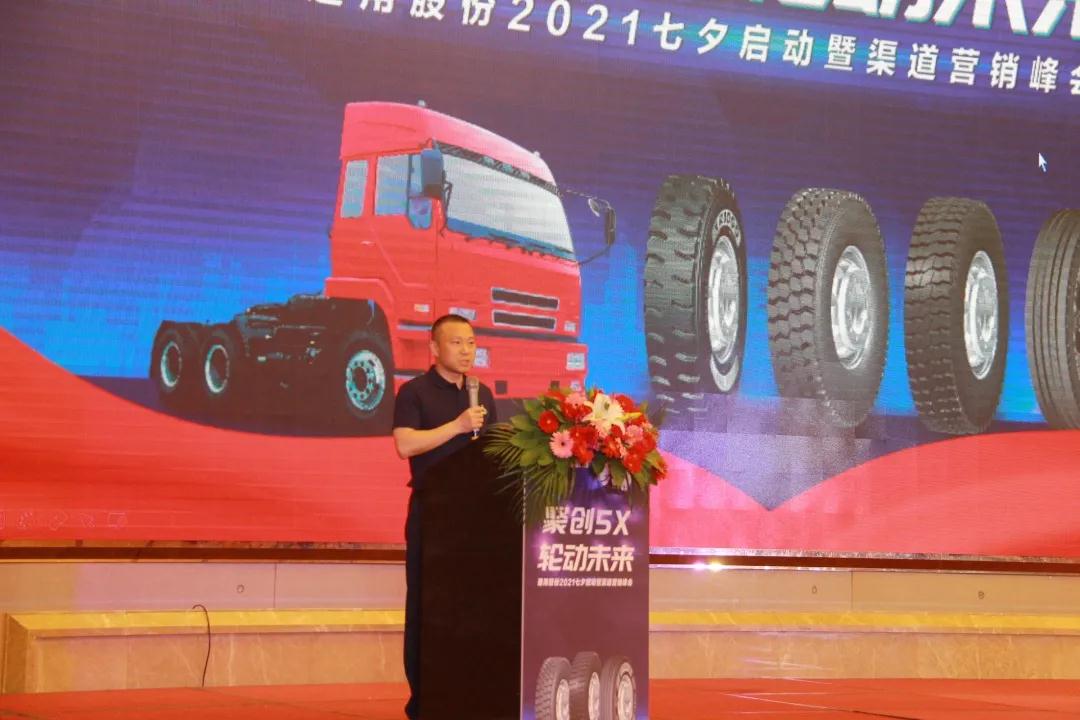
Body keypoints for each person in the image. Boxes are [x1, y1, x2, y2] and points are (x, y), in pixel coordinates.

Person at [392, 313, 497, 720]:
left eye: (471, 343)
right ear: (434, 348)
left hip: (476, 519)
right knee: (427, 607)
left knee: (472, 609)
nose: (466, 351)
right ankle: (424, 701)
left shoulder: (482, 393)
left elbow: (492, 452)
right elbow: (405, 445)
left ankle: (469, 695)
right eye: (457, 343)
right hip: (433, 515)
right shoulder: (414, 392)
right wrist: (457, 426)